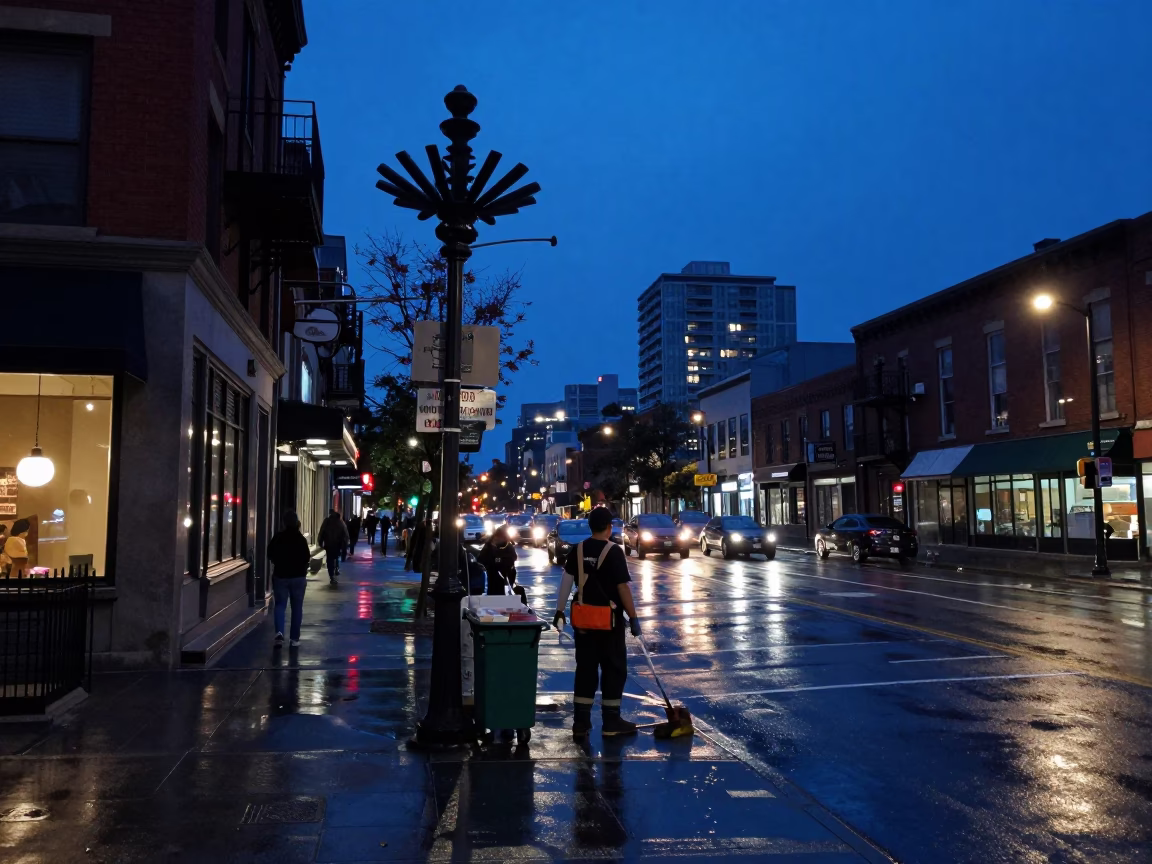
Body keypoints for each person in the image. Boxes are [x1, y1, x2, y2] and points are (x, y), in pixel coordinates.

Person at [553, 506, 641, 738]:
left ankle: (580, 723)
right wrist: (633, 617)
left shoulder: (578, 550)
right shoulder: (613, 551)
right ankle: (611, 722)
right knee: (613, 669)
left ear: (590, 526)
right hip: (608, 623)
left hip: (583, 623)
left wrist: (559, 611)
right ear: (609, 527)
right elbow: (622, 587)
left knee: (585, 669)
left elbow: (566, 580)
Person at [267, 511, 311, 648]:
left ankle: (279, 633)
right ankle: (294, 638)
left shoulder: (278, 538)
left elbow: (270, 554)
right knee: (297, 607)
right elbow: (306, 557)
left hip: (281, 576)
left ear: (284, 523)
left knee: (280, 605)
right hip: (298, 577)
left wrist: (279, 563)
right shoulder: (301, 539)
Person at [477, 527, 519, 596]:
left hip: (507, 574)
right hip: (492, 574)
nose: (498, 539)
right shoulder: (489, 546)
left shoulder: (508, 546)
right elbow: (481, 559)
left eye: (501, 537)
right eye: (497, 537)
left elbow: (513, 558)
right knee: (494, 591)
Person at [317, 509, 349, 586]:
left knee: (330, 560)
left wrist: (320, 542)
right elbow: (345, 534)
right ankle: (336, 569)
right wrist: (345, 545)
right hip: (337, 544)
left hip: (329, 544)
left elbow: (322, 532)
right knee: (336, 556)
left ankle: (331, 576)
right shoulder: (340, 522)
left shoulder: (327, 521)